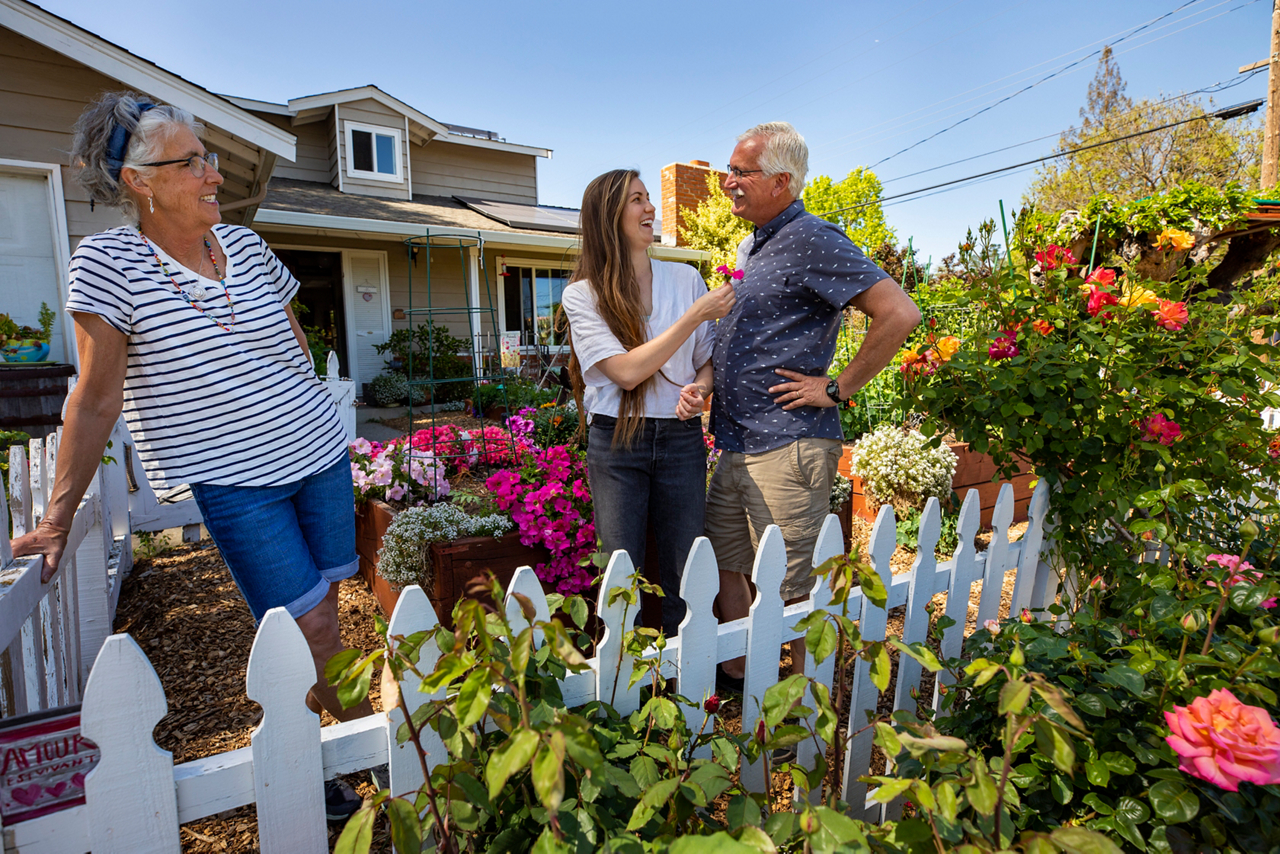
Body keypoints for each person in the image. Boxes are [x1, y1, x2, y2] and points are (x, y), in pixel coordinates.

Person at [8, 92, 369, 822]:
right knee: (310, 630)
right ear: (140, 181)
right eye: (193, 162)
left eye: (209, 157)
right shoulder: (109, 262)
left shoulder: (249, 247)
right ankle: (345, 762)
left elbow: (293, 344)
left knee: (327, 615)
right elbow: (96, 400)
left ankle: (350, 750)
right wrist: (56, 517)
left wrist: (304, 410)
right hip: (240, 483)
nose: (213, 175)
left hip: (317, 455)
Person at [706, 122, 921, 692]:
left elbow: (899, 313)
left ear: (782, 181)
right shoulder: (754, 244)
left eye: (740, 172)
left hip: (788, 441)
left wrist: (837, 387)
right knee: (730, 565)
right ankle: (738, 679)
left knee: (792, 584)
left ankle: (803, 704)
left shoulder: (814, 238)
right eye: (727, 170)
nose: (727, 182)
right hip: (734, 439)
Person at [559, 169, 736, 637]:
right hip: (617, 441)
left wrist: (699, 390)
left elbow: (706, 361)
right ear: (608, 216)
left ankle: (685, 686)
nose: (650, 209)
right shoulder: (583, 295)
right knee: (622, 571)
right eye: (637, 200)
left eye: (647, 199)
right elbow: (626, 371)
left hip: (680, 440)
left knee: (686, 566)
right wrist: (696, 313)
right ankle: (625, 690)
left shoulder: (685, 278)